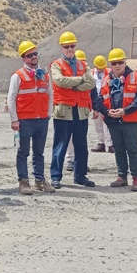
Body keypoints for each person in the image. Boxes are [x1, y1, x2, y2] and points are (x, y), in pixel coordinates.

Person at [93, 48, 137, 191]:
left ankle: (136, 178)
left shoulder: (134, 77)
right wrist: (107, 112)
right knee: (119, 149)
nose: (117, 66)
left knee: (133, 149)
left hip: (130, 120)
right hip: (113, 120)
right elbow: (99, 99)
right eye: (114, 63)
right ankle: (122, 176)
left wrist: (125, 111)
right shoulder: (106, 79)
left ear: (125, 62)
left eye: (120, 62)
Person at [49, 32, 96, 188]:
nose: (70, 49)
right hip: (64, 110)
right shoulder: (56, 64)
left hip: (80, 110)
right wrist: (81, 80)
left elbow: (91, 83)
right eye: (66, 46)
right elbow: (60, 81)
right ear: (61, 47)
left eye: (72, 46)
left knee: (81, 145)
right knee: (60, 144)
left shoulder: (83, 65)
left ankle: (80, 176)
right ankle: (56, 177)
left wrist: (74, 84)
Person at [8, 41, 55, 195]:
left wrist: (48, 114)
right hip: (25, 120)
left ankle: (40, 180)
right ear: (23, 58)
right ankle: (23, 181)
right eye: (30, 55)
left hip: (41, 119)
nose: (34, 57)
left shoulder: (45, 74)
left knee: (39, 152)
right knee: (23, 152)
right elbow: (11, 98)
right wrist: (14, 119)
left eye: (35, 54)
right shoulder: (18, 76)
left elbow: (50, 95)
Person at [65, 49, 87, 171]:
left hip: (82, 110)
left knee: (81, 140)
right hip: (69, 109)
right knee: (68, 138)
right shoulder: (69, 74)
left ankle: (80, 163)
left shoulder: (86, 73)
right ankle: (70, 160)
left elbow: (91, 91)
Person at [90, 55, 114, 153]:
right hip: (95, 102)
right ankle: (101, 143)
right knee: (98, 124)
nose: (101, 70)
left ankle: (110, 144)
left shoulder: (110, 72)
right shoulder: (90, 73)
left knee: (107, 124)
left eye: (102, 68)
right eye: (99, 68)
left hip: (106, 102)